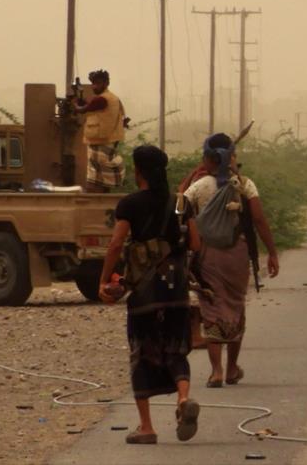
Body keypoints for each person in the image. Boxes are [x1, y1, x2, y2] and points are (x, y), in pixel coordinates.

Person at [98, 145, 201, 445]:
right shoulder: (181, 203)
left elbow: (116, 244)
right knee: (176, 351)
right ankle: (183, 400)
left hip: (144, 294)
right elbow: (195, 243)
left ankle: (147, 427)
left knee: (142, 354)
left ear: (138, 170)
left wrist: (104, 280)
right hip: (177, 291)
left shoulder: (129, 204)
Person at [183, 133, 280, 388]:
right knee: (236, 306)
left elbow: (178, 212)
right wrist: (272, 252)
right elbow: (259, 220)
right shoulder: (245, 185)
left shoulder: (199, 186)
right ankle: (232, 368)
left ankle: (215, 371)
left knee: (212, 307)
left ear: (207, 159)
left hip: (207, 255)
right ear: (231, 158)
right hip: (237, 253)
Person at [75, 69, 128, 193]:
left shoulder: (102, 99)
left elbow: (82, 110)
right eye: (93, 83)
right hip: (109, 140)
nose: (94, 86)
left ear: (106, 83)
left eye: (97, 83)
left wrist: (75, 104)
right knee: (103, 179)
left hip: (100, 141)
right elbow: (93, 107)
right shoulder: (113, 98)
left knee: (95, 178)